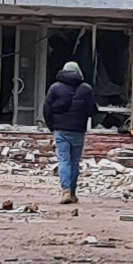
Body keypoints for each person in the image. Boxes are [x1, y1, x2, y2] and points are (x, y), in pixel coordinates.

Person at [42, 59, 96, 203]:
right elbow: (93, 110)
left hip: (61, 130)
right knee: (74, 162)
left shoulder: (55, 88)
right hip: (78, 130)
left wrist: (52, 126)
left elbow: (46, 108)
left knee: (64, 160)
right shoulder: (86, 89)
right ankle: (72, 192)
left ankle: (65, 191)